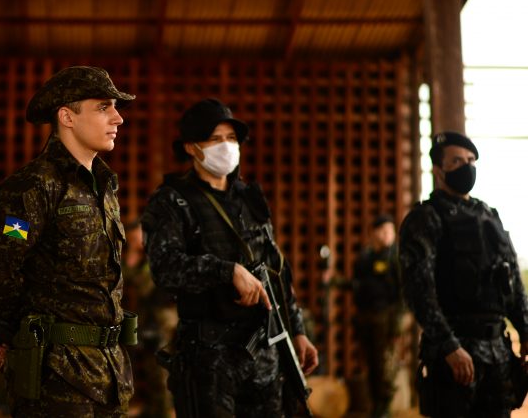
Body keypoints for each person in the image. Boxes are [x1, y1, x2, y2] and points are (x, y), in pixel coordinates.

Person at [0, 66, 138, 417]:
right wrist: (8, 333)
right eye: (103, 107)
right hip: (57, 378)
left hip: (110, 375)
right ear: (67, 117)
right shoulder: (34, 186)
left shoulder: (104, 186)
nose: (118, 118)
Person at [141, 98, 319, 417]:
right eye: (215, 139)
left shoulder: (249, 198)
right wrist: (226, 271)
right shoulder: (171, 202)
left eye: (232, 138)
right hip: (210, 360)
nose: (226, 146)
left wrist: (298, 330)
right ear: (191, 147)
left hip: (264, 355)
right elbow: (165, 268)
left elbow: (276, 269)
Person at [399, 131, 528, 417]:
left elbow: (512, 283)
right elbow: (419, 291)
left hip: (497, 354)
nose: (466, 167)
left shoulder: (490, 216)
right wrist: (448, 346)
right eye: (457, 161)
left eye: (471, 160)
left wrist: (526, 329)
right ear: (438, 169)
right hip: (454, 356)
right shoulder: (425, 218)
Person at [122, 221, 176, 418]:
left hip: (167, 326)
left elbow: (148, 286)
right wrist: (132, 254)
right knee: (153, 377)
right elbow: (123, 276)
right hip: (148, 327)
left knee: (164, 380)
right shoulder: (140, 259)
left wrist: (134, 257)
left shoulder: (160, 255)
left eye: (138, 237)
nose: (138, 242)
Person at [351, 214, 402, 418]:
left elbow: (402, 294)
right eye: (383, 230)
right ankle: (375, 407)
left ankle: (385, 407)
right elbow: (358, 285)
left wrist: (397, 324)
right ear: (374, 232)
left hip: (387, 319)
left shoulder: (395, 257)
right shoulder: (366, 257)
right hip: (367, 318)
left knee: (385, 366)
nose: (387, 235)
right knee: (370, 364)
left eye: (390, 231)